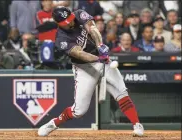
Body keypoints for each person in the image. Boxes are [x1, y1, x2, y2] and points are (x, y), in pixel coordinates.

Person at [38, 7, 144, 137]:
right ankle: (54, 123)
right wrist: (98, 58)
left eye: (70, 19)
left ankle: (137, 125)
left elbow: (92, 28)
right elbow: (79, 53)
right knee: (79, 111)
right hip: (84, 68)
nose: (71, 23)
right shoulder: (61, 39)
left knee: (121, 92)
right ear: (59, 24)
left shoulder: (79, 14)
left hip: (102, 60)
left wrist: (100, 46)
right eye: (67, 22)